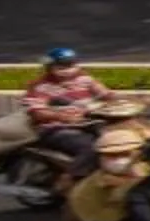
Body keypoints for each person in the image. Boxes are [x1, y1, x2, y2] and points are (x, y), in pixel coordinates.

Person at [24, 47, 109, 176]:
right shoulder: (40, 86)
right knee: (91, 148)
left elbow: (106, 94)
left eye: (71, 66)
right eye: (61, 67)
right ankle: (71, 179)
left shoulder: (84, 79)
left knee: (118, 139)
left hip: (88, 123)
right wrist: (63, 117)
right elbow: (38, 113)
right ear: (50, 68)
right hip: (57, 129)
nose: (68, 71)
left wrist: (132, 100)